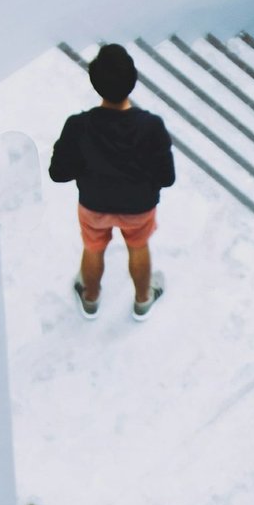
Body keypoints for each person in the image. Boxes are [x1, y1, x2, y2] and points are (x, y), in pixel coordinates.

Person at [48, 43, 176, 322]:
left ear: (95, 84)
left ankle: (90, 299)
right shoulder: (151, 126)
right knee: (138, 247)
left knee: (93, 247)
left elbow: (58, 173)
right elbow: (167, 178)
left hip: (94, 204)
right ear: (133, 81)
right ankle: (143, 301)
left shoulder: (78, 126)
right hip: (139, 206)